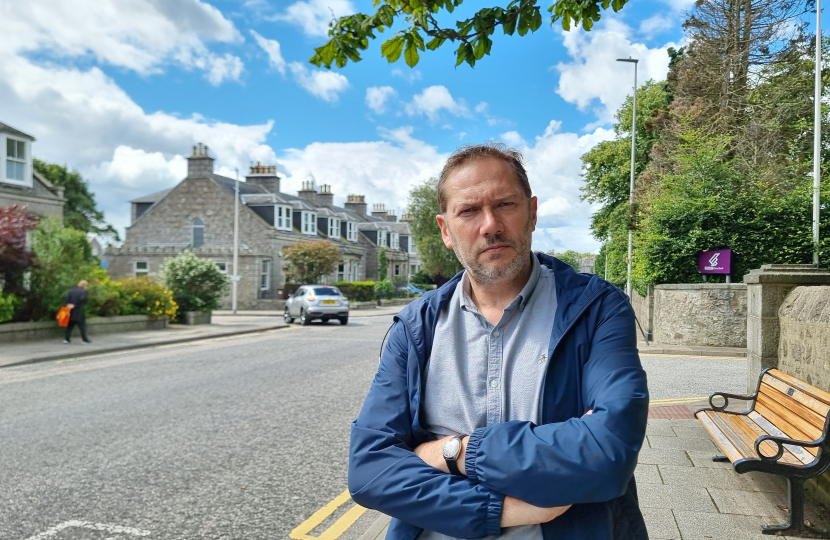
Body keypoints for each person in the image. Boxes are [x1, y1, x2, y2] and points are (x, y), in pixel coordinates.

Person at [348, 143, 649, 539]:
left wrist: (452, 452)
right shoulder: (415, 326)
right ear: (445, 231)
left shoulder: (597, 309)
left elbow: (609, 451)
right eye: (468, 211)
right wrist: (501, 510)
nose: (489, 225)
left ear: (533, 213)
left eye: (505, 204)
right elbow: (370, 471)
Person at [63, 280, 91, 344]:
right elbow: (83, 300)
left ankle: (66, 339)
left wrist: (69, 304)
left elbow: (66, 299)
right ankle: (85, 340)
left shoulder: (72, 290)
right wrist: (75, 305)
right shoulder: (84, 291)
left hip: (70, 311)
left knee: (69, 326)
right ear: (86, 285)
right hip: (79, 311)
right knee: (82, 327)